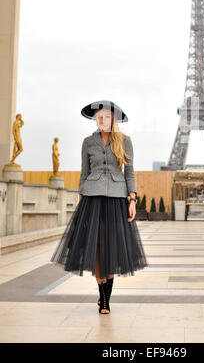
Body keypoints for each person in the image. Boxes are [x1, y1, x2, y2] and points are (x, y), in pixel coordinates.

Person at [50, 100, 148, 314]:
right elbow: (84, 173)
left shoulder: (125, 141)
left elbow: (129, 173)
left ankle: (105, 296)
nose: (102, 120)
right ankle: (104, 300)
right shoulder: (87, 142)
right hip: (92, 199)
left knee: (111, 247)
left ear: (113, 118)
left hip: (116, 199)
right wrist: (81, 196)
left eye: (106, 116)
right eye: (99, 117)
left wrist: (132, 199)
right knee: (95, 247)